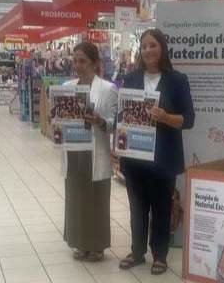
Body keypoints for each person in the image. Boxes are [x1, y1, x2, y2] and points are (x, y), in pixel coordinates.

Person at [118, 29, 195, 275]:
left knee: (162, 207)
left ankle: (160, 255)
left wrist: (165, 117)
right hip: (135, 157)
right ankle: (137, 251)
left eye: (153, 45)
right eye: (144, 47)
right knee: (137, 207)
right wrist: (117, 145)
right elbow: (122, 116)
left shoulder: (177, 80)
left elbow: (189, 120)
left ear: (162, 48)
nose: (148, 50)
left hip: (164, 158)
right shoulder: (130, 79)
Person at [62, 42, 117, 262]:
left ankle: (97, 245)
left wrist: (100, 121)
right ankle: (80, 242)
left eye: (82, 61)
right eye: (75, 60)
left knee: (97, 199)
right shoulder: (67, 86)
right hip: (74, 151)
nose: (78, 65)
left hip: (96, 151)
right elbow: (61, 118)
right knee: (76, 198)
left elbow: (114, 123)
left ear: (95, 64)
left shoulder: (108, 89)